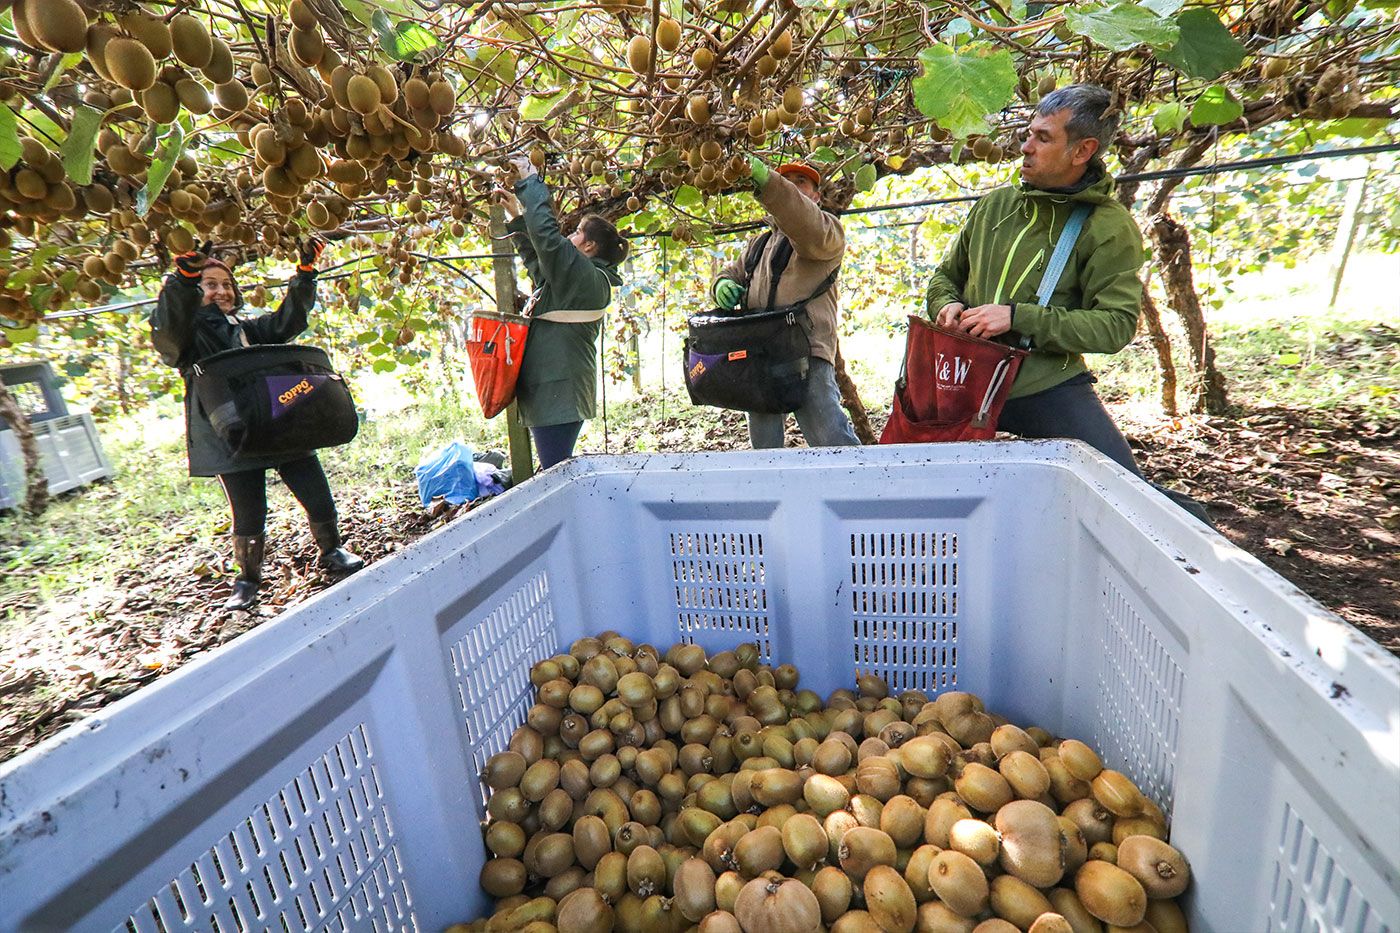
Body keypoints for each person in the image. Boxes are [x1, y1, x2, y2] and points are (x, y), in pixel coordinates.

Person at [925, 84, 1210, 524]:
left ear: (1083, 151)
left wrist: (1019, 318)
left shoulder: (1108, 226)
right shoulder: (994, 206)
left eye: (1043, 138)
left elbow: (1115, 327)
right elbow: (945, 277)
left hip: (1043, 383)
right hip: (965, 378)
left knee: (1127, 495)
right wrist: (945, 304)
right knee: (916, 485)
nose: (1025, 146)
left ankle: (1200, 560)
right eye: (1028, 133)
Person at [149, 239, 364, 611]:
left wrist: (305, 273)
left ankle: (333, 550)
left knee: (315, 489)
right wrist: (182, 279)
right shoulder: (189, 336)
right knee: (249, 509)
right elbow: (168, 330)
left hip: (277, 422)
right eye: (210, 284)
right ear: (194, 291)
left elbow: (288, 321)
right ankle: (248, 579)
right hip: (229, 433)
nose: (221, 291)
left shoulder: (248, 329)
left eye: (226, 284)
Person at [711, 158, 859, 450]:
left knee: (831, 440)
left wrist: (770, 181)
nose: (791, 186)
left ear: (817, 195)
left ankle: (861, 491)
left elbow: (801, 219)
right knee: (765, 449)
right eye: (785, 180)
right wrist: (722, 285)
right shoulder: (760, 244)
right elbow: (732, 272)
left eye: (800, 182)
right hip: (761, 353)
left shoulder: (827, 232)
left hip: (805, 352)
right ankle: (773, 494)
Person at [495, 155, 628, 470]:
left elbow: (548, 240)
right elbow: (538, 262)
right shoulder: (577, 278)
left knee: (556, 472)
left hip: (559, 394)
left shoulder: (585, 278)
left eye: (579, 232)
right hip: (556, 392)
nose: (571, 236)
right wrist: (516, 217)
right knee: (556, 468)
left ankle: (579, 519)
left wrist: (530, 181)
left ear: (589, 247)